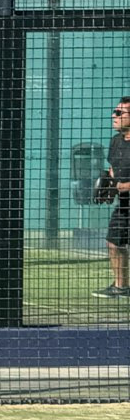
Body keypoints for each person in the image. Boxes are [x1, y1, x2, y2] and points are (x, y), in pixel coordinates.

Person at [94, 97, 130, 298]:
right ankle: (121, 287)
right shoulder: (116, 141)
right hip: (124, 204)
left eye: (119, 113)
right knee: (114, 243)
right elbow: (113, 168)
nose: (113, 116)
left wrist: (121, 187)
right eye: (115, 112)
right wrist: (108, 183)